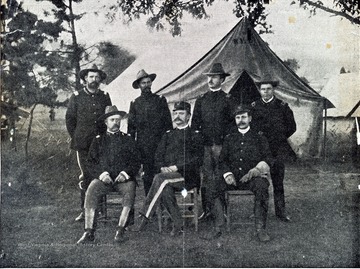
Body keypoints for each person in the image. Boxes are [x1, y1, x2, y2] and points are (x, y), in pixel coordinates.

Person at [203, 105, 273, 242]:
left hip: (253, 178)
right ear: (235, 119)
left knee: (262, 187)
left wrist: (257, 170)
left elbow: (269, 158)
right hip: (233, 178)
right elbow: (222, 160)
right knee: (212, 186)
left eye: (244, 117)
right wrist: (227, 174)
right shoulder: (229, 138)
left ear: (250, 119)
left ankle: (260, 229)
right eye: (238, 117)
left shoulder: (259, 137)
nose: (241, 120)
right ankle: (218, 226)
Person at [132, 101, 203, 236]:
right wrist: (162, 167)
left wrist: (177, 167)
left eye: (181, 113)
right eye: (175, 113)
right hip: (167, 177)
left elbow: (197, 160)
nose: (177, 116)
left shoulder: (195, 135)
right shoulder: (168, 135)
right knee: (164, 186)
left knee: (159, 179)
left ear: (189, 116)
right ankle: (178, 223)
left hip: (187, 177)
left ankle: (144, 217)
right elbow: (158, 156)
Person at [76, 106, 141, 244]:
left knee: (130, 189)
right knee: (92, 189)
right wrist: (102, 174)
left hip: (123, 181)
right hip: (104, 180)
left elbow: (136, 161)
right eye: (112, 120)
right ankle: (89, 232)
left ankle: (120, 230)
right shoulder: (98, 140)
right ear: (106, 122)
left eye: (118, 120)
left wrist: (125, 173)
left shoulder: (128, 139)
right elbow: (90, 163)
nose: (116, 123)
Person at [65, 64, 112, 222]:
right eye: (91, 76)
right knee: (86, 176)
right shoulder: (76, 96)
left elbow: (109, 117)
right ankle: (85, 211)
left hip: (101, 144)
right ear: (85, 79)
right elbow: (70, 120)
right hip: (83, 145)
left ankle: (99, 210)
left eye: (97, 77)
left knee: (99, 174)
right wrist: (78, 136)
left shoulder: (104, 96)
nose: (94, 79)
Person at [191, 63, 233, 221]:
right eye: (209, 77)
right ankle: (207, 210)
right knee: (206, 178)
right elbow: (195, 124)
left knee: (221, 176)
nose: (210, 80)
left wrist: (226, 142)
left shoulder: (228, 99)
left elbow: (232, 124)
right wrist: (200, 142)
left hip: (221, 145)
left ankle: (222, 211)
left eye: (214, 77)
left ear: (222, 79)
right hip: (206, 146)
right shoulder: (201, 100)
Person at [251, 77, 297, 222]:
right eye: (263, 89)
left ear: (273, 90)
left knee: (278, 181)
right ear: (260, 90)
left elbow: (292, 127)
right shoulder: (253, 106)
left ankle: (281, 212)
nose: (266, 92)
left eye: (269, 89)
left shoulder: (282, 106)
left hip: (277, 149)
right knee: (259, 181)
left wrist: (279, 137)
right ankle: (258, 211)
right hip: (260, 150)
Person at [128, 69, 173, 196]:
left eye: (148, 82)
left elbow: (168, 124)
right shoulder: (135, 103)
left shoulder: (160, 100)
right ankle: (150, 208)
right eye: (143, 83)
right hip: (144, 147)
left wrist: (167, 144)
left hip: (160, 144)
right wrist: (134, 148)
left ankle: (163, 207)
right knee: (147, 176)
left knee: (161, 175)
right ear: (139, 86)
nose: (147, 85)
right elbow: (131, 129)